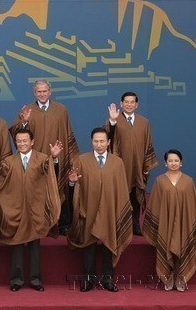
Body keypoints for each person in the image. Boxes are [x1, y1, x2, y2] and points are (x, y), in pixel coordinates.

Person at [67, 109, 132, 293]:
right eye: (95, 141)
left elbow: (121, 189)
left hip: (111, 210)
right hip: (88, 209)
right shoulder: (81, 160)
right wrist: (72, 182)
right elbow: (74, 187)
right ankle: (88, 279)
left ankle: (108, 279)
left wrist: (119, 210)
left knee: (109, 245)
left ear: (108, 142)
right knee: (89, 245)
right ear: (91, 142)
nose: (99, 144)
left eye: (102, 141)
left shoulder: (117, 162)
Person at [0, 128, 62, 291]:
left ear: (32, 142)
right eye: (19, 141)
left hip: (35, 209)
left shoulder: (43, 158)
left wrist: (55, 158)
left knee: (35, 247)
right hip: (16, 209)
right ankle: (16, 281)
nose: (21, 144)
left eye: (25, 141)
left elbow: (51, 174)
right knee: (17, 246)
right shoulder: (8, 161)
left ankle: (36, 281)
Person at [9, 79, 79, 233]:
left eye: (44, 91)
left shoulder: (61, 110)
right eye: (39, 91)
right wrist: (24, 123)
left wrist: (70, 157)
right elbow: (17, 132)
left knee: (59, 190)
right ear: (35, 93)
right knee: (38, 191)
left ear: (50, 91)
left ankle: (61, 224)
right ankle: (38, 224)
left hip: (57, 157)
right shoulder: (27, 110)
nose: (42, 94)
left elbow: (68, 133)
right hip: (36, 159)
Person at [143, 149, 196, 292]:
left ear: (181, 163)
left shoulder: (188, 181)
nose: (173, 163)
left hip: (183, 223)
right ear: (165, 163)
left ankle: (180, 276)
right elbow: (154, 204)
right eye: (170, 161)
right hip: (165, 223)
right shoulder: (160, 181)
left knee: (182, 242)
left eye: (176, 161)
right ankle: (168, 276)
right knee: (166, 244)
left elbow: (193, 205)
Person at [104, 92, 158, 235]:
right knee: (120, 195)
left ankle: (135, 224)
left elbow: (148, 144)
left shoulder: (144, 122)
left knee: (136, 196)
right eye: (126, 102)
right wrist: (113, 122)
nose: (129, 104)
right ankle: (119, 225)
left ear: (136, 105)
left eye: (132, 102)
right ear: (121, 104)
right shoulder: (113, 120)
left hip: (138, 166)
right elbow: (106, 140)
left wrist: (146, 165)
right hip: (120, 167)